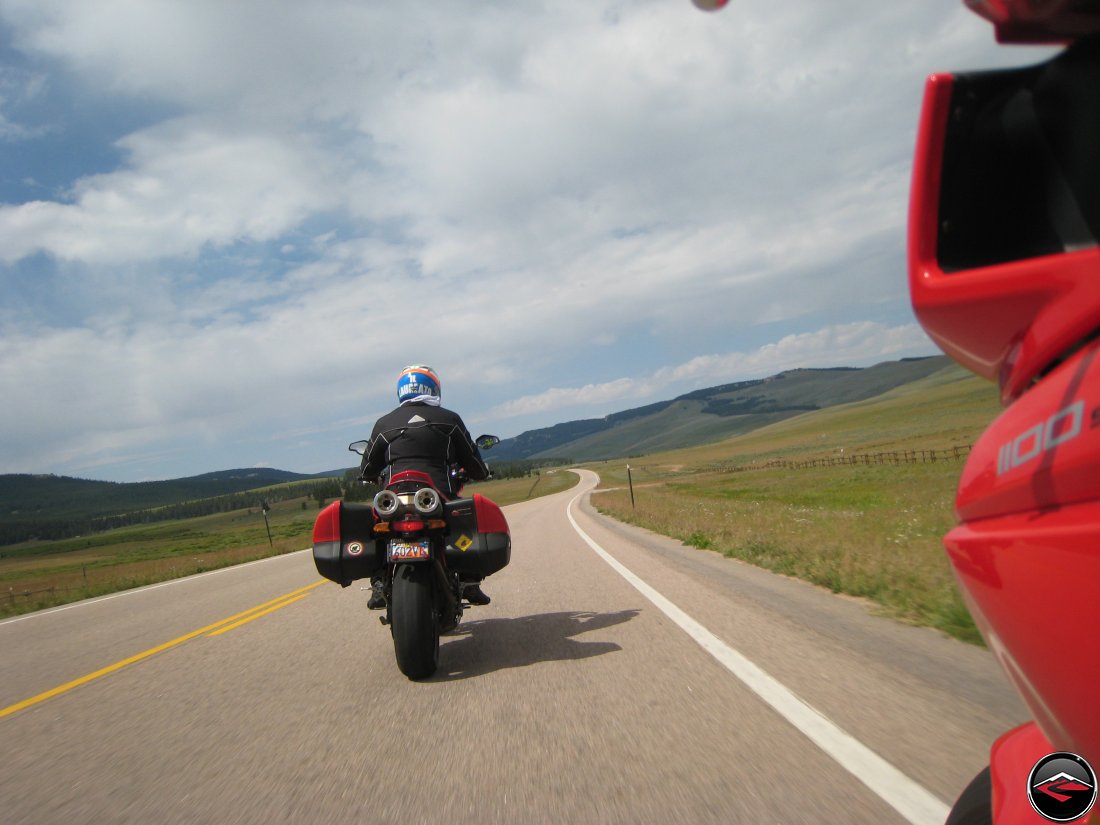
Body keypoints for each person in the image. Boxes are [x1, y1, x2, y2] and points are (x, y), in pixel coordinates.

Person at [358, 364, 492, 609]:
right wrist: (480, 473)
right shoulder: (449, 419)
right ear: (433, 387)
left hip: (394, 499)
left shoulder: (383, 424)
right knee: (463, 525)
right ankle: (471, 581)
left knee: (377, 529)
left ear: (401, 390)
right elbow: (472, 461)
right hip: (438, 494)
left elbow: (367, 468)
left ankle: (378, 582)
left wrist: (371, 476)